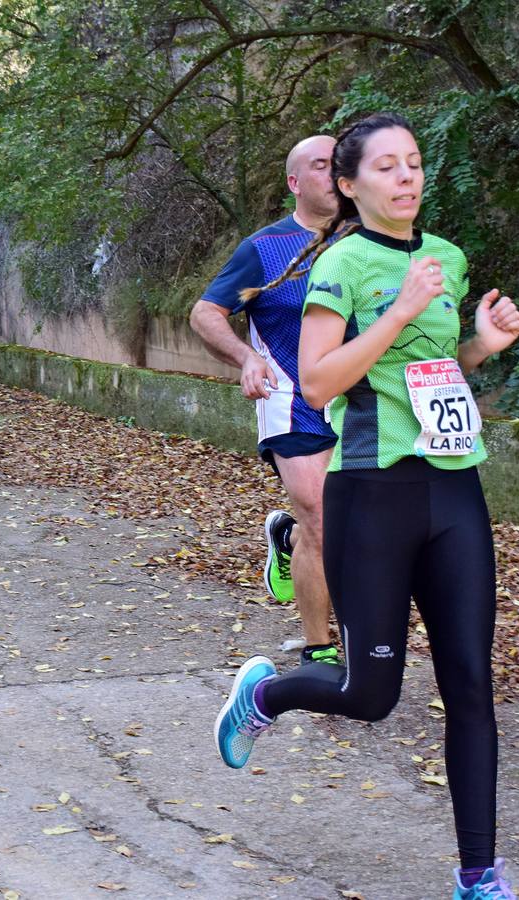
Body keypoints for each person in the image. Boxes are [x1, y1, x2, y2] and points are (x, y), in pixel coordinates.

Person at [213, 112, 519, 900]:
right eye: (385, 167)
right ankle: (264, 695)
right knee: (370, 695)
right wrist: (395, 308)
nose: (406, 177)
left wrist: (479, 344)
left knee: (470, 686)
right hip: (370, 493)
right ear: (348, 186)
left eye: (413, 163)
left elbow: (431, 370)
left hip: (453, 486)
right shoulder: (341, 263)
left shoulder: (444, 258)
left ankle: (478, 876)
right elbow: (317, 382)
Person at [190, 135, 340, 667]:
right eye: (320, 165)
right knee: (324, 519)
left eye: (338, 162)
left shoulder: (366, 243)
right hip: (290, 399)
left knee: (350, 522)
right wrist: (244, 358)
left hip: (360, 404)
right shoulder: (265, 248)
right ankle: (320, 650)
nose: (333, 172)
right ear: (295, 183)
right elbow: (206, 313)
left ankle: (286, 532)